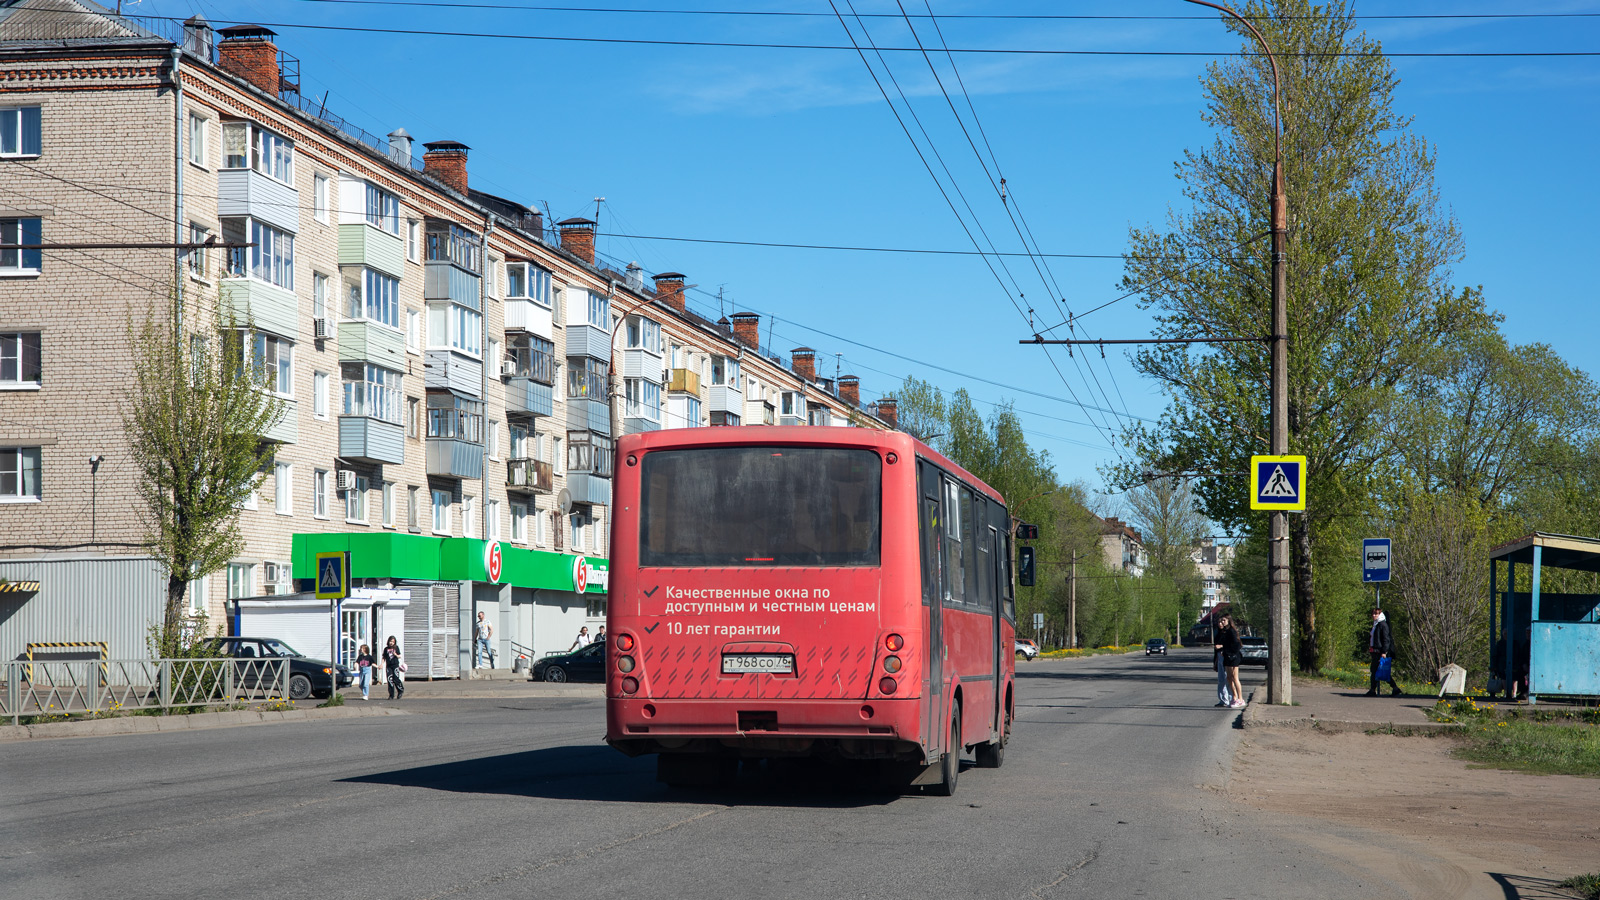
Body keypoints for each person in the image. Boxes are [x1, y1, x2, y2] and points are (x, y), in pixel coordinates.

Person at [1366, 607, 1402, 697]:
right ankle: (1394, 688)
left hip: (1380, 652)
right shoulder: (1376, 624)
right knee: (1377, 671)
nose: (1373, 615)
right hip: (1375, 651)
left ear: (1380, 615)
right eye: (1373, 613)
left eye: (1376, 614)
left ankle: (1374, 690)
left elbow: (1386, 639)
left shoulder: (1382, 625)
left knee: (1379, 671)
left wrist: (1384, 652)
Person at [1216, 615, 1246, 708]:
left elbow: (1237, 645)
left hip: (1233, 657)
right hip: (1227, 657)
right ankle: (1234, 697)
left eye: (1224, 620)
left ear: (1229, 621)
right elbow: (1222, 642)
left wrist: (1224, 649)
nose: (1222, 622)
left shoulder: (1232, 631)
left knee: (1235, 677)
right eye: (1221, 620)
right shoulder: (1225, 632)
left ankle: (1240, 699)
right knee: (1229, 678)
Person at [1211, 617, 1233, 708]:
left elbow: (1233, 645)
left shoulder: (1229, 633)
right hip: (1219, 657)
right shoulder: (1218, 634)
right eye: (1219, 621)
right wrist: (1215, 662)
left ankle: (1231, 699)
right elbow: (1215, 650)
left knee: (1228, 679)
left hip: (1227, 657)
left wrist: (1222, 646)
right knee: (1221, 680)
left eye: (1222, 621)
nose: (1220, 623)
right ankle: (1223, 700)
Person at [382, 635, 405, 700]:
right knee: (389, 679)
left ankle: (400, 690)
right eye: (390, 641)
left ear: (394, 642)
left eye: (393, 641)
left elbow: (399, 656)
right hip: (388, 666)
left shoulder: (396, 648)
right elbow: (384, 657)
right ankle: (391, 695)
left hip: (395, 665)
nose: (391, 643)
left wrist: (396, 655)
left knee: (396, 679)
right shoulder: (386, 649)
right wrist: (382, 664)